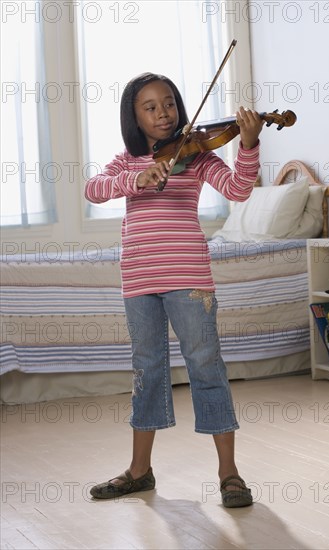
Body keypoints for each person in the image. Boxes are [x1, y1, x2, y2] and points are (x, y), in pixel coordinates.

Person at [85, 72, 263, 508]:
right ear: (135, 116)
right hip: (139, 278)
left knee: (206, 368)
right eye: (150, 106)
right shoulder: (127, 160)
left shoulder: (198, 155)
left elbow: (239, 190)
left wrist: (249, 144)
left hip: (187, 276)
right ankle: (139, 471)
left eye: (168, 103)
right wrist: (137, 179)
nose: (162, 113)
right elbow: (93, 189)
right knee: (147, 371)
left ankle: (229, 474)